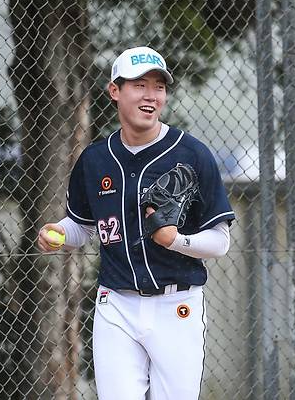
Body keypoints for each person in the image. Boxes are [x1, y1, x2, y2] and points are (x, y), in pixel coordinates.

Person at [37, 46, 235, 400]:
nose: (151, 95)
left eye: (159, 86)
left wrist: (175, 240)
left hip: (177, 306)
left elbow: (221, 241)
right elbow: (82, 228)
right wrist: (58, 233)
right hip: (116, 306)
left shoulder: (192, 154)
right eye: (139, 85)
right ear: (115, 91)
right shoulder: (95, 160)